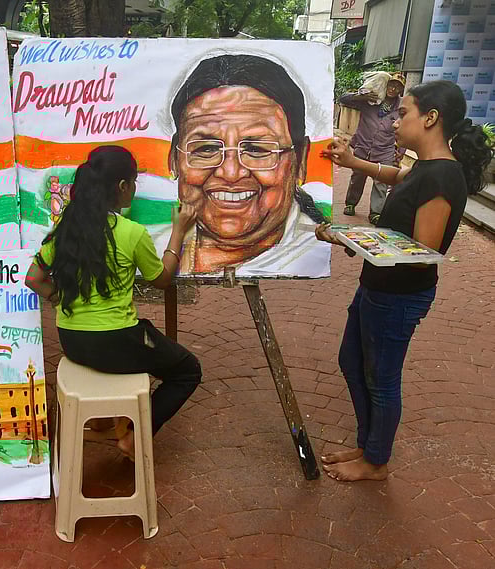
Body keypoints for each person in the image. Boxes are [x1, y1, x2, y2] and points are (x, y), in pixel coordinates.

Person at [316, 80, 493, 482]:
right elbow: (398, 177)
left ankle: (376, 461)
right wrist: (353, 163)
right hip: (377, 289)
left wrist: (350, 236)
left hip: (398, 298)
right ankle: (367, 445)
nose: (395, 122)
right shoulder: (428, 168)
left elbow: (421, 253)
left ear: (431, 119)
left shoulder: (443, 178)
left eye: (404, 113)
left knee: (381, 379)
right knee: (351, 362)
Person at [25, 146, 203, 459]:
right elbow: (161, 279)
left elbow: (34, 279)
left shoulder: (66, 228)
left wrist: (62, 298)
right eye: (133, 183)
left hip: (73, 341)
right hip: (116, 343)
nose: (134, 189)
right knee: (187, 371)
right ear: (122, 187)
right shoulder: (131, 233)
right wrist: (178, 231)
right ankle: (134, 436)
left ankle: (108, 421)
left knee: (143, 335)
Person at [167, 54, 330, 277]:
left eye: (257, 150)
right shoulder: (151, 247)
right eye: (206, 149)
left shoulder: (310, 254)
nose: (231, 173)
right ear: (174, 158)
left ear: (300, 160)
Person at [340, 72, 406, 224]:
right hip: (363, 146)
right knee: (357, 177)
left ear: (401, 90)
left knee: (381, 182)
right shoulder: (370, 100)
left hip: (385, 150)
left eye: (398, 87)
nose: (393, 88)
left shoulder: (401, 107)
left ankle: (376, 212)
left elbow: (405, 126)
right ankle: (350, 203)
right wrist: (360, 97)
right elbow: (342, 99)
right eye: (391, 84)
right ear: (386, 84)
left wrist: (401, 152)